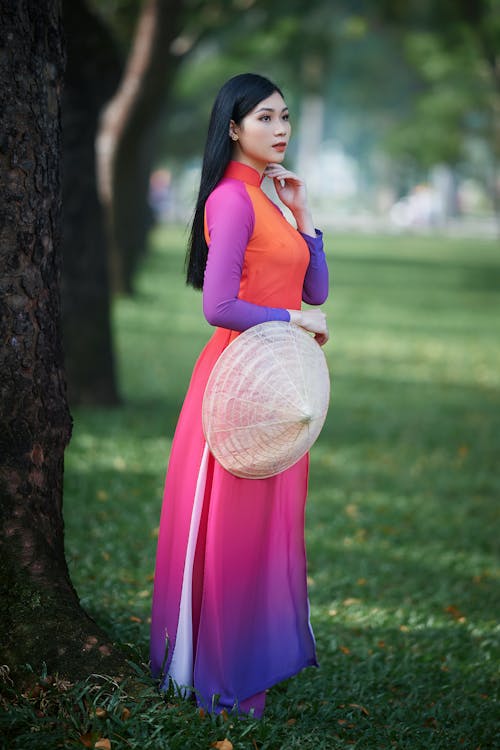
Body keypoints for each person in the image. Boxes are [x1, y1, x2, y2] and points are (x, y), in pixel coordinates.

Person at [150, 73, 329, 717]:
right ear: (232, 127)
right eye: (264, 118)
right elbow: (218, 306)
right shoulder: (230, 200)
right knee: (227, 529)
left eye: (285, 116)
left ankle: (248, 656)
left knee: (261, 530)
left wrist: (306, 217)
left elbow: (318, 291)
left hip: (277, 385)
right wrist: (292, 323)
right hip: (235, 384)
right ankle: (214, 671)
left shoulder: (273, 198)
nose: (280, 129)